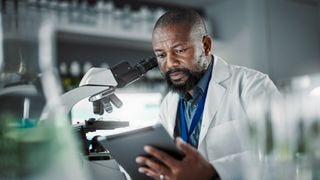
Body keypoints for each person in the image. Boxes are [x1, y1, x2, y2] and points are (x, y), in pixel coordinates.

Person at [135, 8, 279, 180]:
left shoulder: (252, 85)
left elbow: (282, 150)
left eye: (180, 50)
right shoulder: (169, 103)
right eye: (161, 55)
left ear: (206, 46)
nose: (170, 63)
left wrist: (213, 171)